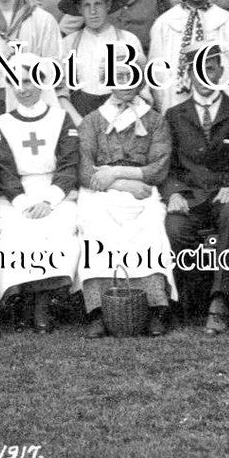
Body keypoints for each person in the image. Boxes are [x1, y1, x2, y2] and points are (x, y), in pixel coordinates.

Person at [75, 67, 177, 338]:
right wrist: (118, 183)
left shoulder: (154, 121)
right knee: (95, 225)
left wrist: (121, 173)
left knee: (152, 222)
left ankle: (155, 306)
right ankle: (97, 310)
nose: (126, 84)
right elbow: (85, 171)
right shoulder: (92, 121)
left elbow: (159, 167)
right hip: (101, 190)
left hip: (143, 188)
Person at [163, 43, 229, 335]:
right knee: (175, 227)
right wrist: (174, 193)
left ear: (221, 72)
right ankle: (187, 301)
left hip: (227, 193)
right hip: (191, 196)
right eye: (197, 69)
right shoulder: (175, 115)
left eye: (211, 67)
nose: (205, 75)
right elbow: (169, 168)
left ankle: (220, 302)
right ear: (189, 74)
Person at [0, 53, 80, 334]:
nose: (23, 89)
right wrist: (25, 202)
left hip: (56, 192)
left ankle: (41, 304)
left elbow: (69, 164)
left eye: (28, 80)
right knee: (15, 232)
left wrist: (49, 201)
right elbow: (3, 169)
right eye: (16, 82)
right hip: (15, 195)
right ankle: (23, 301)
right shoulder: (1, 122)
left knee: (57, 229)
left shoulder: (62, 119)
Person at [58, 0, 144, 125]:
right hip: (81, 117)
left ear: (108, 5)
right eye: (86, 5)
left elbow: (142, 89)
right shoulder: (68, 44)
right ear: (79, 9)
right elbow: (60, 92)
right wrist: (79, 122)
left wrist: (123, 119)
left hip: (122, 117)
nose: (93, 12)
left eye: (97, 4)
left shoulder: (128, 40)